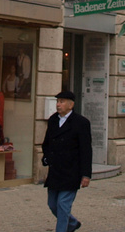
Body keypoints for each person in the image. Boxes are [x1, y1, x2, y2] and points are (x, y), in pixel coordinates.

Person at [42, 91, 92, 232]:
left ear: (71, 105)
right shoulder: (53, 120)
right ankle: (72, 223)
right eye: (58, 101)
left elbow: (86, 150)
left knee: (63, 205)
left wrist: (86, 175)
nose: (58, 104)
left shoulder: (81, 123)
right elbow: (46, 143)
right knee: (52, 204)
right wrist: (46, 158)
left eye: (62, 101)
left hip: (71, 172)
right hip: (55, 171)